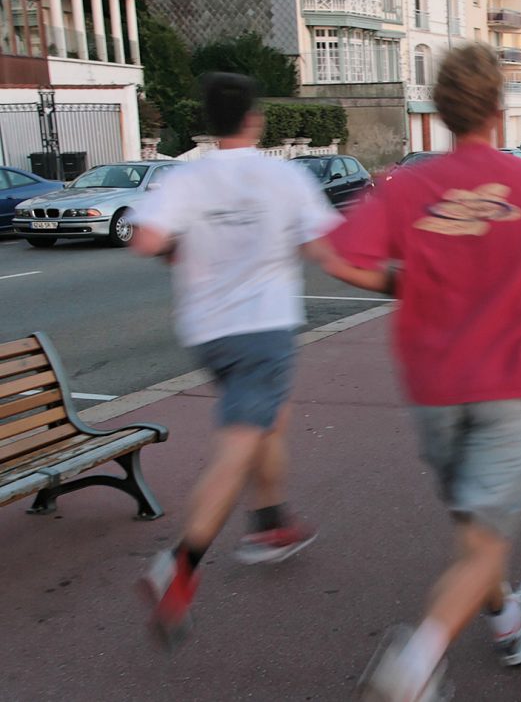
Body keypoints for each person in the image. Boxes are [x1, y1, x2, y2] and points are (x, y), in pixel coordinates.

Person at [325, 43, 521, 701]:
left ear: (443, 111)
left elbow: (342, 261)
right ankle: (415, 664)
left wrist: (408, 282)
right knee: (484, 537)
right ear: (499, 110)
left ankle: (508, 619)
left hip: (430, 389)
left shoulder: (409, 187)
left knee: (476, 526)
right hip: (507, 387)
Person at [130, 73, 371, 648]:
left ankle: (271, 522)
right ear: (255, 119)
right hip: (261, 328)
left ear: (207, 123)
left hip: (206, 331)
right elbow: (322, 249)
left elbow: (144, 238)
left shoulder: (186, 175)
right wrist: (385, 276)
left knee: (268, 419)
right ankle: (180, 567)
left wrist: (178, 248)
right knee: (240, 440)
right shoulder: (280, 175)